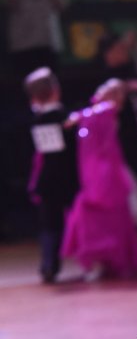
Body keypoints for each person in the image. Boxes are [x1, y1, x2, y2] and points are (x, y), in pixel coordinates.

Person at [62, 79, 137, 281]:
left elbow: (89, 115)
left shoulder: (106, 109)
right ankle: (105, 260)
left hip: (103, 170)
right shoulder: (101, 111)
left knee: (98, 213)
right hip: (96, 168)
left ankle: (105, 259)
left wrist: (77, 117)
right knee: (102, 215)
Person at [23, 66, 79, 283]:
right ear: (56, 90)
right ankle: (92, 259)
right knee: (80, 219)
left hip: (47, 180)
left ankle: (49, 265)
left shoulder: (36, 120)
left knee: (50, 225)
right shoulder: (65, 118)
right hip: (69, 178)